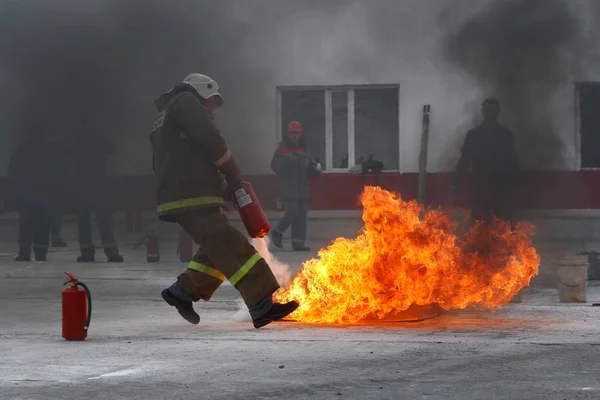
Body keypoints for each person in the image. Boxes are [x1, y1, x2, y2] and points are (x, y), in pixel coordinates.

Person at [150, 73, 299, 328]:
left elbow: (188, 159)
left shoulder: (170, 115)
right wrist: (231, 170)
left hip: (189, 192)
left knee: (215, 247)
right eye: (211, 102)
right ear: (202, 91)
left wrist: (220, 186)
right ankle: (262, 304)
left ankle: (182, 291)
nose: (210, 109)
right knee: (231, 245)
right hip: (190, 195)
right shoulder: (185, 101)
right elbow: (209, 138)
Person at [453, 98, 521, 225]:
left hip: (501, 187)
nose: (490, 113)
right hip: (479, 185)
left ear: (498, 112)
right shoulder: (473, 135)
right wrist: (457, 182)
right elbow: (465, 160)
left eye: (493, 110)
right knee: (479, 224)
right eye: (487, 110)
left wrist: (517, 184)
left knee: (502, 225)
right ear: (483, 112)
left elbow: (513, 161)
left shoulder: (506, 135)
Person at [5, 136, 63, 261]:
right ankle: (41, 253)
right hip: (45, 193)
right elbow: (58, 171)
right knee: (43, 225)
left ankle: (25, 252)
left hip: (27, 193)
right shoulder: (49, 151)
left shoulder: (22, 150)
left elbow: (13, 171)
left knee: (26, 224)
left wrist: (13, 192)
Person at [66, 135, 123, 262]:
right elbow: (112, 148)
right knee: (102, 221)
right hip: (97, 186)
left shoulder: (76, 142)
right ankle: (111, 252)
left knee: (85, 222)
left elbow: (66, 154)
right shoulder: (97, 140)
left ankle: (88, 253)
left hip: (85, 186)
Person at [270, 120, 321, 251]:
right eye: (292, 133)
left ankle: (298, 242)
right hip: (287, 187)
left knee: (302, 215)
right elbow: (274, 166)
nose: (294, 136)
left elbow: (311, 167)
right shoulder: (281, 149)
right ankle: (278, 232)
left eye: (297, 133)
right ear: (288, 133)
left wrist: (316, 171)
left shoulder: (304, 150)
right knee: (292, 211)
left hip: (303, 188)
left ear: (300, 134)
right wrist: (288, 160)